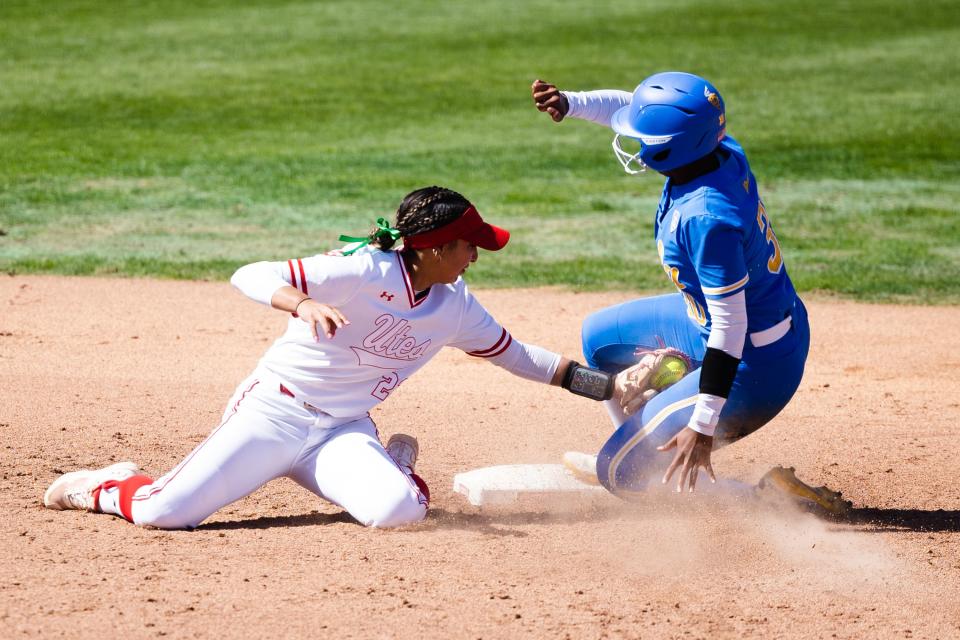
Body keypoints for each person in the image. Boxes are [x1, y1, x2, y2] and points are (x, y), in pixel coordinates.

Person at [42, 186, 627, 528]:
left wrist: (605, 387)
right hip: (273, 413)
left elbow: (516, 355)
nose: (476, 255)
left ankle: (392, 461)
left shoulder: (456, 306)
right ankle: (107, 484)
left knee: (398, 512)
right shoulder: (357, 270)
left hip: (340, 431)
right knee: (161, 514)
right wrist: (299, 304)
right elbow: (250, 273)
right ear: (436, 247)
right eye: (469, 245)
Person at [532, 73, 840, 509]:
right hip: (727, 324)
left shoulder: (705, 219)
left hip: (756, 364)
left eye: (645, 137)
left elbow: (732, 327)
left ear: (671, 146)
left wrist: (703, 423)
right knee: (599, 341)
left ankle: (764, 496)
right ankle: (644, 442)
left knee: (619, 474)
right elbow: (640, 109)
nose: (635, 140)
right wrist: (571, 102)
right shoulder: (719, 148)